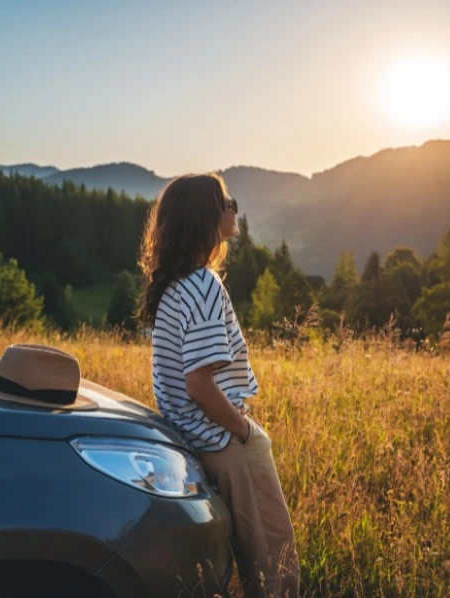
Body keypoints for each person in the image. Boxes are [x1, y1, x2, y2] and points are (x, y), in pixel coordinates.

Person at [138, 173, 298, 598]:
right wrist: (244, 432)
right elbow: (199, 384)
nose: (234, 211)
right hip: (224, 442)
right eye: (228, 203)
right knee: (273, 566)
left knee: (244, 561)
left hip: (192, 441)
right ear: (208, 217)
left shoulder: (173, 286)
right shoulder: (204, 286)